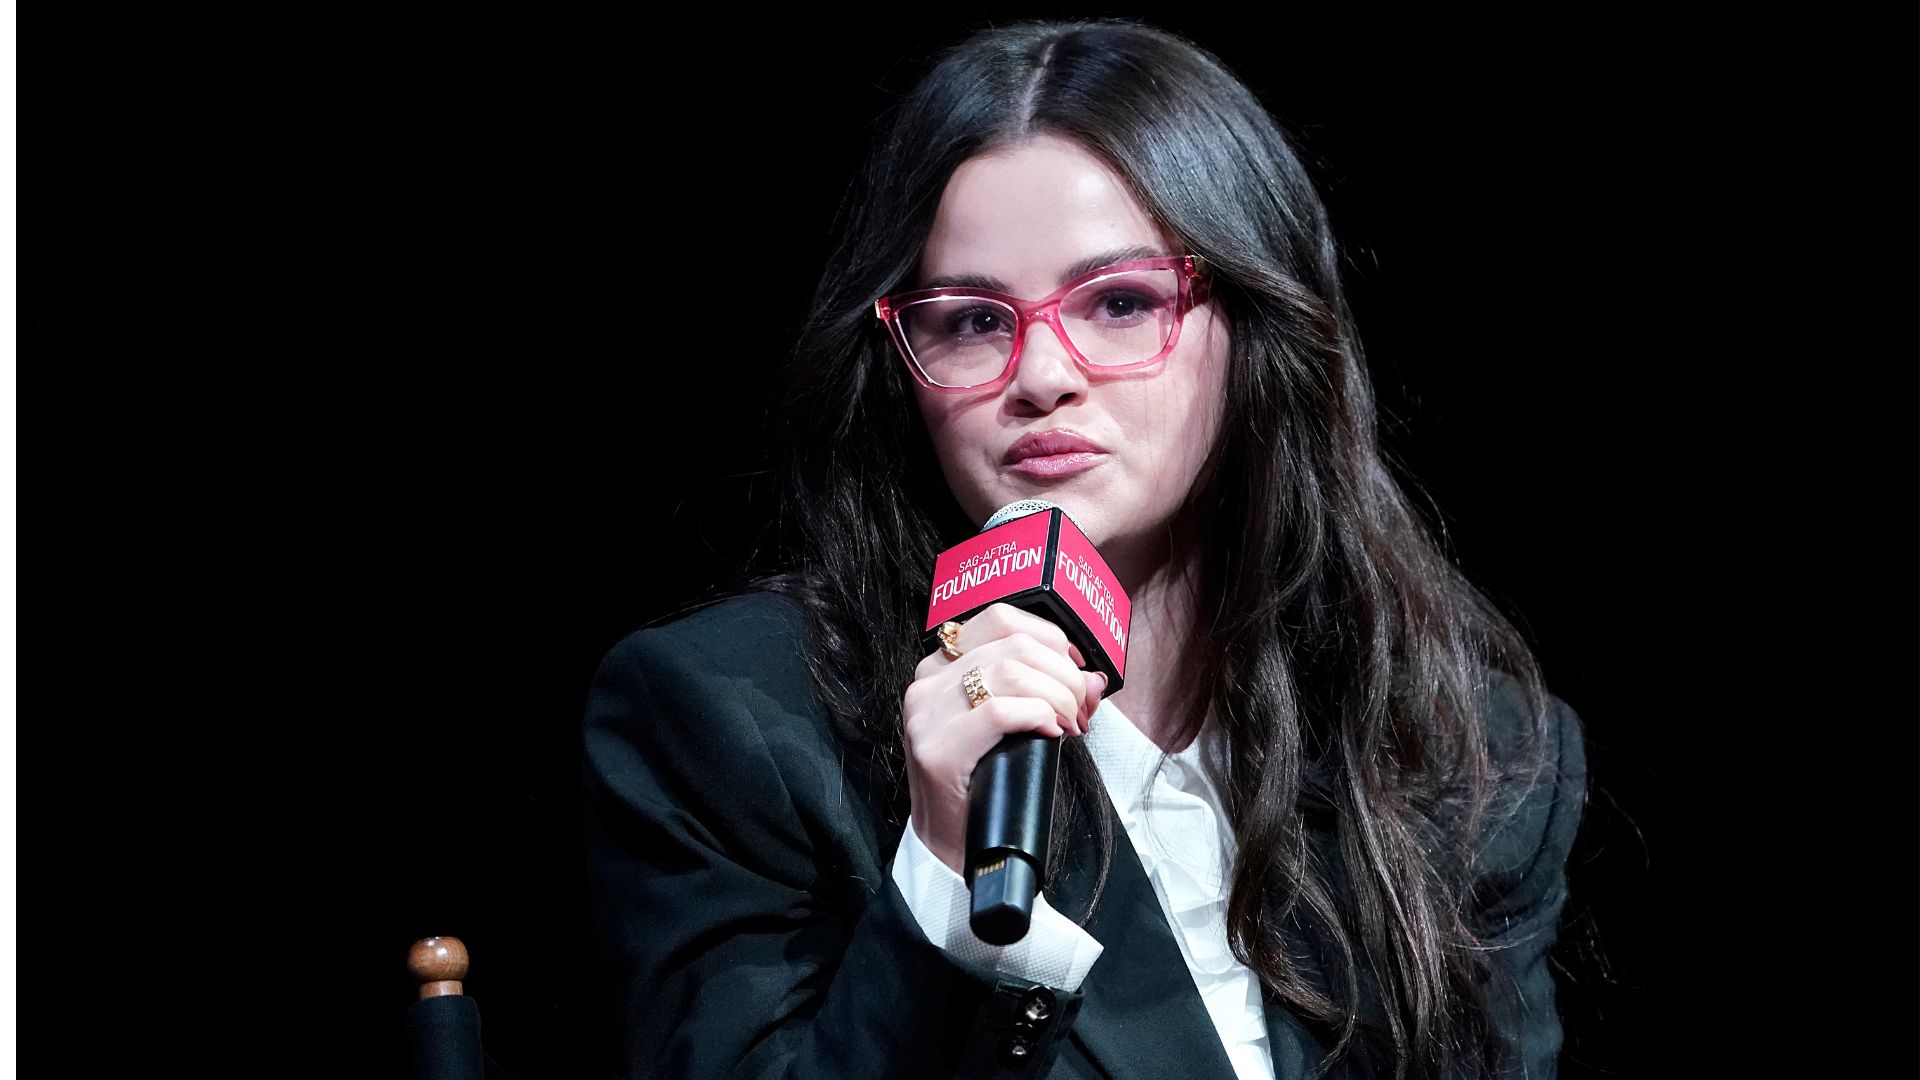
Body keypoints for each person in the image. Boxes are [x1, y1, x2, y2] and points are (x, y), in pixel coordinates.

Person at [582, 18, 1585, 1080]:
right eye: (971, 321)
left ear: (1254, 326)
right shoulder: (731, 719)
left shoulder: (1469, 747)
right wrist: (944, 880)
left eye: (1119, 302)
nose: (1042, 374)